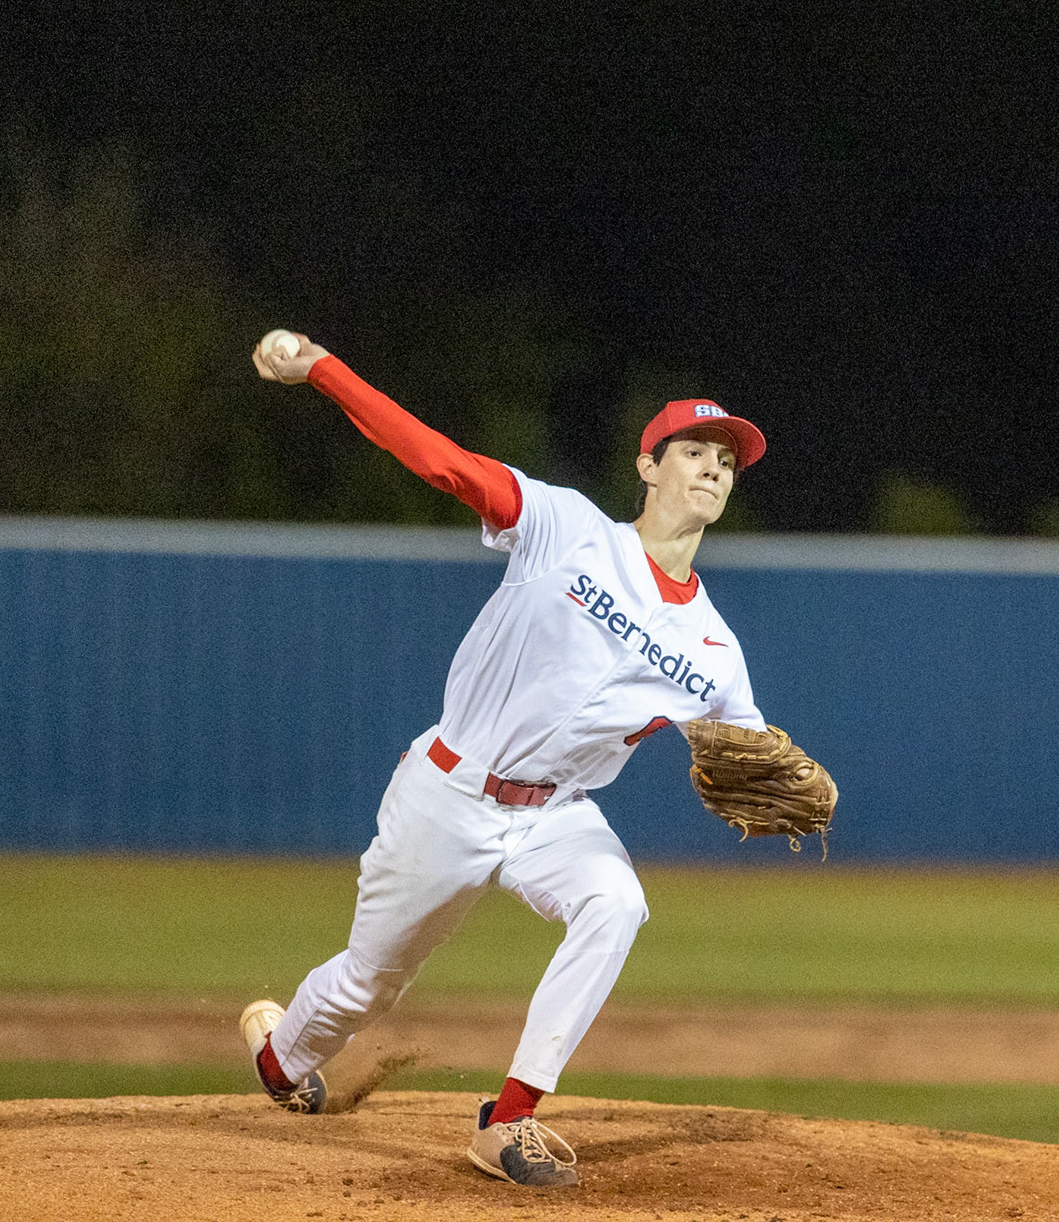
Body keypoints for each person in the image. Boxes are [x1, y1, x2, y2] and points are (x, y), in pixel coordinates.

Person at [239, 330, 770, 1189]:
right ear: (648, 467)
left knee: (617, 902)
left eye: (727, 461)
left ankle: (510, 1119)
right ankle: (279, 1054)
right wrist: (325, 371)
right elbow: (439, 460)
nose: (713, 468)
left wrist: (770, 788)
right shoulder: (565, 528)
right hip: (448, 792)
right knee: (367, 987)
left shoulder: (714, 648)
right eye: (694, 451)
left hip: (556, 814)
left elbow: (748, 753)